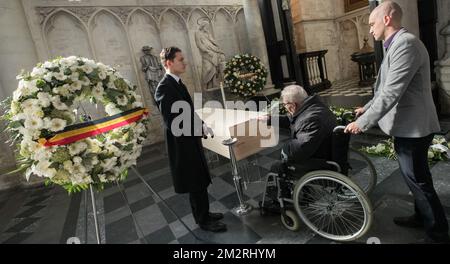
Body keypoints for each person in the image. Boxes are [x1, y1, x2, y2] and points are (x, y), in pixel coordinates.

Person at [345, 1, 449, 243]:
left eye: (372, 23)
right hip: (409, 126)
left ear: (387, 19)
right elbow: (383, 89)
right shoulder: (396, 45)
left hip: (413, 127)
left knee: (418, 180)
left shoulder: (405, 44)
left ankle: (438, 233)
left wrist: (364, 122)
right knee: (416, 177)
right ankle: (421, 216)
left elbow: (392, 92)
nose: (370, 30)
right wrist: (367, 107)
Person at [154, 46, 226, 233]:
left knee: (200, 178)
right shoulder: (164, 87)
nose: (184, 62)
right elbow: (173, 121)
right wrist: (197, 128)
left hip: (190, 138)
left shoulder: (177, 83)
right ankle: (203, 221)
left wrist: (201, 125)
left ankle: (206, 213)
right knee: (195, 180)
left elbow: (188, 112)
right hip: (182, 143)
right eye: (180, 59)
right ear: (169, 63)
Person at [260, 85, 337, 169]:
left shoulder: (310, 119)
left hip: (318, 162)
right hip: (322, 152)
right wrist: (271, 119)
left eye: (285, 104)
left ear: (293, 105)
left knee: (276, 167)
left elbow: (299, 151)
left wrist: (285, 149)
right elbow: (294, 120)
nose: (285, 107)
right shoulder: (313, 107)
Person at [194, 20, 226, 89]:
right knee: (208, 68)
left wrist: (218, 47)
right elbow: (199, 44)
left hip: (212, 50)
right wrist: (207, 51)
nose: (207, 28)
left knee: (214, 67)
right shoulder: (197, 33)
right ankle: (205, 83)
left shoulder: (207, 33)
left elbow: (212, 40)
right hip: (205, 52)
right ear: (203, 26)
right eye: (206, 26)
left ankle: (214, 83)